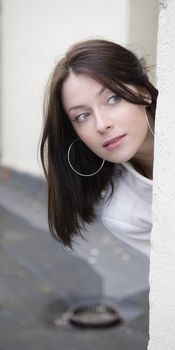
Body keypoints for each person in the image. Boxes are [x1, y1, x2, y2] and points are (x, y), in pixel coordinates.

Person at [40, 39, 158, 258]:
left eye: (113, 98)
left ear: (144, 92)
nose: (102, 125)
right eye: (82, 116)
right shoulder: (124, 215)